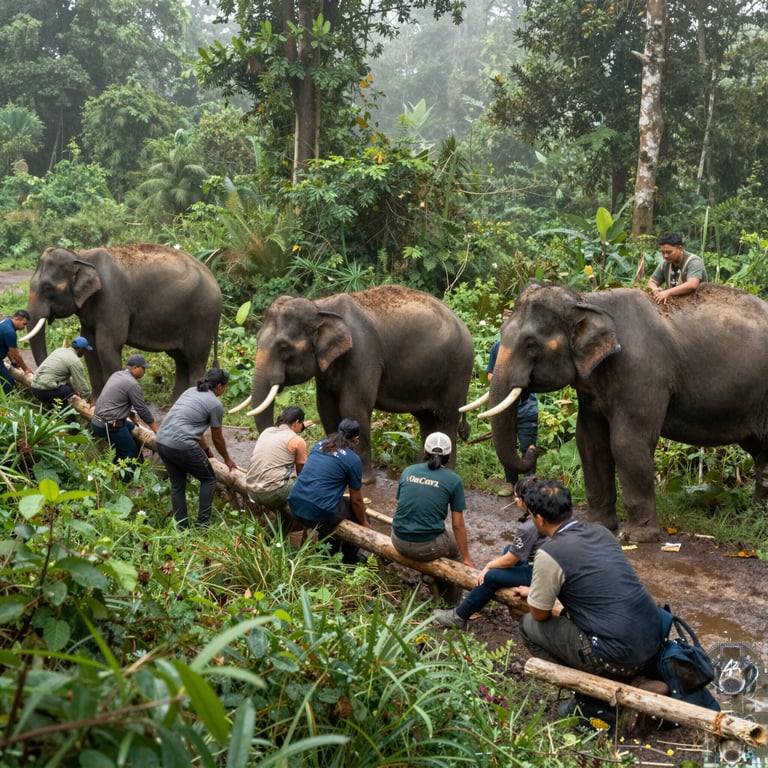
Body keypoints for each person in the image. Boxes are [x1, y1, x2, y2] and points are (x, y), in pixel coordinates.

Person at [511, 479, 662, 725]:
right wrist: (538, 590)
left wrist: (538, 596)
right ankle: (633, 679)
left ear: (538, 518)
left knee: (528, 626)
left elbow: (540, 615)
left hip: (614, 654)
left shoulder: (549, 552)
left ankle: (590, 701)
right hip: (652, 641)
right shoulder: (601, 532)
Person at [431, 475, 546, 630]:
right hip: (544, 564)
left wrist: (489, 566)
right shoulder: (544, 515)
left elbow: (510, 561)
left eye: (517, 497)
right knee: (507, 549)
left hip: (540, 573)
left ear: (523, 500)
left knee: (491, 577)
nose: (516, 501)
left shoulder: (528, 527)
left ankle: (459, 616)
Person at [390, 432, 474, 605]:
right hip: (427, 547)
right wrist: (467, 559)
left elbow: (402, 506)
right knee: (456, 550)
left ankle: (436, 584)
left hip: (397, 539)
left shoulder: (408, 471)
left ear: (424, 451)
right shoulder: (453, 480)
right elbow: (458, 525)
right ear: (448, 456)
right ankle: (451, 604)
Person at [155, 367, 236, 529]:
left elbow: (192, 427)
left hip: (162, 441)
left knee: (178, 485)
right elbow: (218, 438)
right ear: (220, 386)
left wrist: (206, 451)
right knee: (208, 479)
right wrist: (227, 459)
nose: (225, 390)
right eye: (225, 386)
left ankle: (182, 527)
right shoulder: (215, 405)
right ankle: (202, 525)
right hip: (180, 445)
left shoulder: (190, 391)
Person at [288, 418, 372, 563]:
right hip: (318, 512)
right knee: (359, 515)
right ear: (356, 439)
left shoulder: (319, 445)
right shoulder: (353, 460)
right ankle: (349, 561)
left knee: (332, 504)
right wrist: (365, 523)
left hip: (294, 503)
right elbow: (357, 500)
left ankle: (327, 553)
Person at [487, 308, 538, 497]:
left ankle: (529, 482)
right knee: (507, 444)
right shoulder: (496, 348)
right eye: (504, 321)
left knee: (527, 445)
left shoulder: (529, 348)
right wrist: (503, 378)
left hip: (526, 407)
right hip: (505, 407)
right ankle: (510, 482)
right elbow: (491, 375)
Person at [91, 354, 159, 475]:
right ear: (136, 367)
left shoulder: (117, 375)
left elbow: (118, 400)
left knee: (131, 427)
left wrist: (132, 417)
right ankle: (128, 482)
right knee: (130, 451)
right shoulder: (132, 384)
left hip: (97, 421)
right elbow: (142, 409)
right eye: (144, 368)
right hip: (109, 426)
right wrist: (156, 432)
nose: (145, 372)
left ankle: (117, 470)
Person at [246, 405, 309, 533]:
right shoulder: (298, 441)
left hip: (251, 488)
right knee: (303, 490)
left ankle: (267, 540)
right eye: (301, 423)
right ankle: (272, 540)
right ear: (297, 422)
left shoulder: (267, 431)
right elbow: (302, 474)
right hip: (271, 494)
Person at [31, 336, 93, 408]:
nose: (84, 353)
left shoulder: (59, 350)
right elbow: (81, 383)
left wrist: (74, 389)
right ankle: (67, 417)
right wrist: (89, 399)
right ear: (81, 349)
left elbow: (63, 376)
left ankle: (59, 413)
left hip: (34, 388)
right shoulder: (75, 361)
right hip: (43, 392)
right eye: (85, 350)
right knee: (68, 391)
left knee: (66, 391)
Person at [647, 232, 707, 304]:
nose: (665, 256)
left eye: (669, 252)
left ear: (680, 249)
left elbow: (692, 284)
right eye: (663, 252)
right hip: (676, 306)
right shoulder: (664, 264)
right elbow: (652, 281)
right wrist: (654, 289)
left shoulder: (694, 262)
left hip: (697, 304)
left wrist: (667, 292)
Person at [0, 310, 32, 394]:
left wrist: (13, 362)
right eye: (24, 324)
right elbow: (16, 354)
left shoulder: (5, 322)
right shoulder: (10, 332)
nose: (24, 327)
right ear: (17, 319)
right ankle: (4, 404)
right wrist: (25, 369)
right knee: (8, 382)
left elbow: (7, 347)